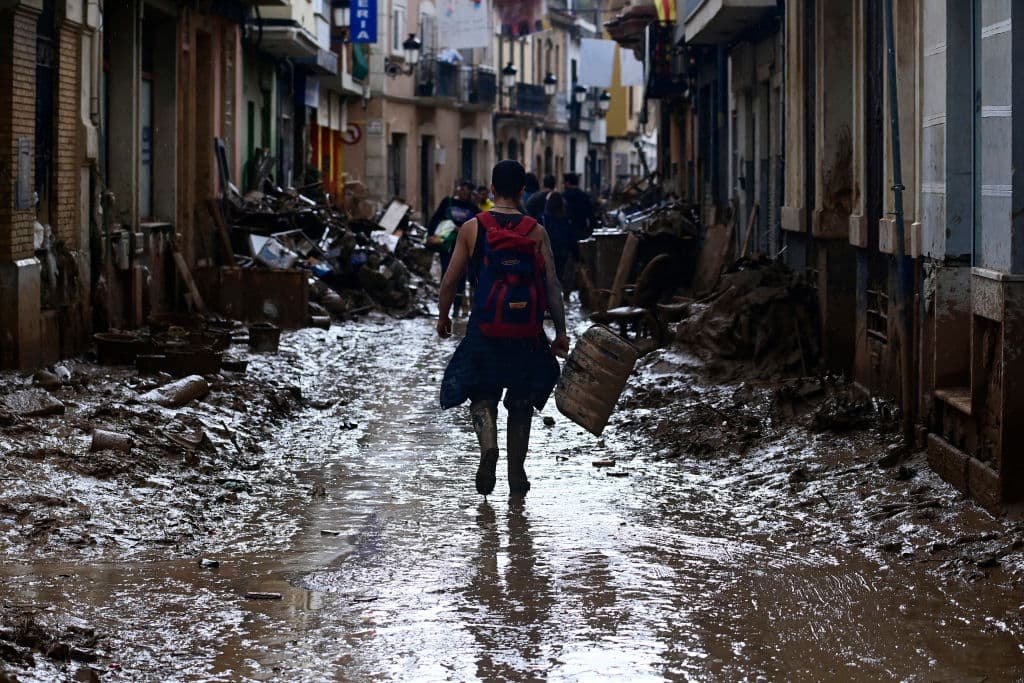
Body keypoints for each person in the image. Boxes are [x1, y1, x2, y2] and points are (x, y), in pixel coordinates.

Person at [437, 160, 570, 498]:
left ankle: (488, 447)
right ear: (523, 191)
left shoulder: (472, 227)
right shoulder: (536, 230)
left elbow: (450, 280)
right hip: (525, 332)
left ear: (492, 189)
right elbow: (552, 285)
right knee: (522, 400)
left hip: (485, 328)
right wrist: (560, 332)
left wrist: (443, 316)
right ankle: (516, 473)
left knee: (482, 393)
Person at [427, 180, 478, 316]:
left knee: (461, 275)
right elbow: (435, 218)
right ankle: (444, 306)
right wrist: (430, 234)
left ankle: (456, 306)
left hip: (464, 246)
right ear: (458, 190)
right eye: (462, 191)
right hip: (446, 245)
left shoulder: (473, 208)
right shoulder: (447, 202)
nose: (464, 194)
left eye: (467, 192)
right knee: (447, 273)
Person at [541, 191, 574, 290]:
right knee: (558, 276)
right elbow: (571, 238)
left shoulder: (543, 219)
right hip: (562, 253)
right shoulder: (566, 220)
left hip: (548, 252)